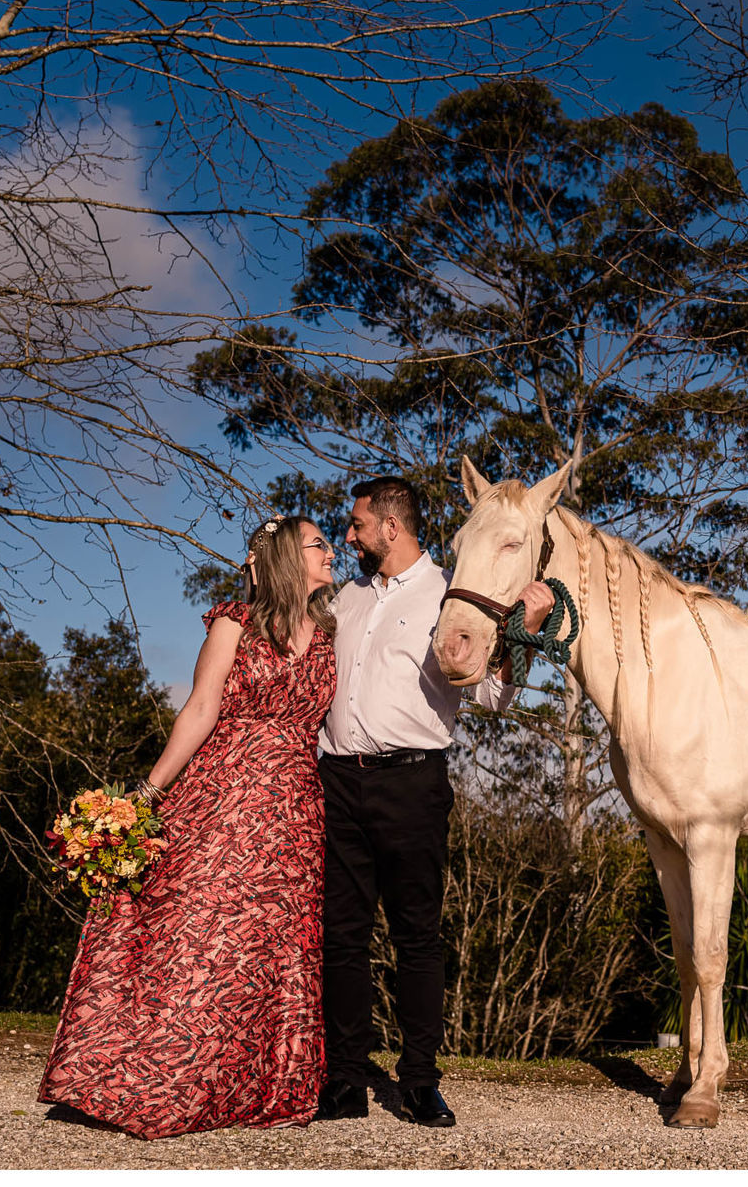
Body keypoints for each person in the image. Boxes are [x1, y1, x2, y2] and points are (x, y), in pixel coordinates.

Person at [39, 515, 339, 1139]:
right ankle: (165, 1081)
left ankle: (252, 1087)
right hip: (222, 796)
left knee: (270, 948)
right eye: (318, 544)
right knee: (201, 936)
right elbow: (201, 708)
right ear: (288, 555)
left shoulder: (333, 634)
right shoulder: (236, 622)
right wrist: (146, 795)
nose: (331, 552)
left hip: (295, 811)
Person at [314, 475, 552, 1128]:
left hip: (413, 783)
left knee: (417, 938)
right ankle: (343, 1081)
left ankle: (419, 1081)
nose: (351, 534)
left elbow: (495, 700)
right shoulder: (348, 598)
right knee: (342, 938)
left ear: (391, 527)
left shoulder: (451, 593)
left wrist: (523, 635)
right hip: (336, 780)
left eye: (358, 523)